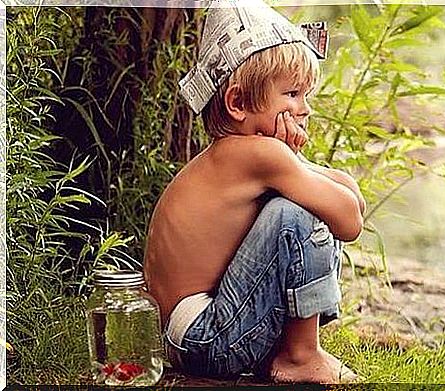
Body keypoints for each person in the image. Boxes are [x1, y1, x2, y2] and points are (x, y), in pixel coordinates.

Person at [143, 0, 366, 383]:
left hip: (189, 337)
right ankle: (300, 355)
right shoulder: (260, 156)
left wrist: (295, 158)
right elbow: (349, 221)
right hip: (206, 339)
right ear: (237, 102)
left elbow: (352, 196)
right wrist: (291, 160)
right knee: (298, 212)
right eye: (293, 94)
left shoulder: (237, 156)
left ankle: (295, 352)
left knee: (303, 198)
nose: (305, 109)